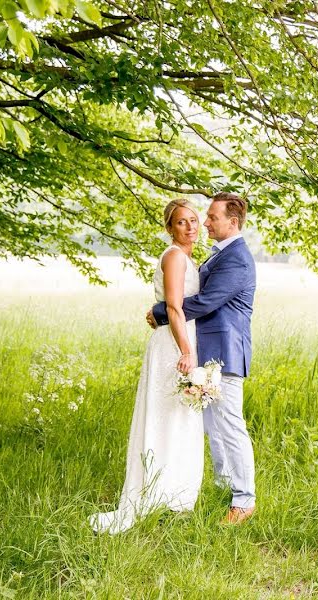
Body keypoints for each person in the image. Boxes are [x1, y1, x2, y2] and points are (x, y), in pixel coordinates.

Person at [89, 199, 204, 534]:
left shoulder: (187, 258)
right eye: (181, 222)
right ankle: (157, 493)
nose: (190, 227)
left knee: (178, 416)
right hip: (173, 343)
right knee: (166, 414)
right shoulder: (174, 256)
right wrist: (186, 350)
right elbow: (173, 306)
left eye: (194, 220)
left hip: (181, 339)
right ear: (170, 228)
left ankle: (173, 493)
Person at [147, 192, 257, 525]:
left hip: (225, 352)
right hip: (208, 353)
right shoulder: (218, 254)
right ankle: (225, 486)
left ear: (232, 222)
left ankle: (244, 499)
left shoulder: (236, 258)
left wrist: (161, 312)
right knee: (212, 425)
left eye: (211, 217)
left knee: (230, 424)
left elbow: (206, 301)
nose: (205, 222)